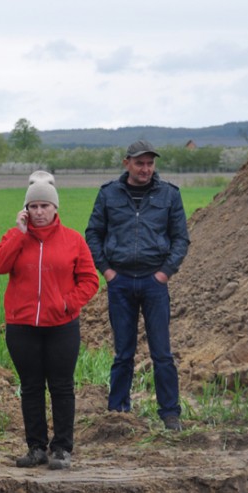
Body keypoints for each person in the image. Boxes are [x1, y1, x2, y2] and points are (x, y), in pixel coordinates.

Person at [0, 171, 99, 470]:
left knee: (62, 386)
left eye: (44, 206)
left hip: (62, 326)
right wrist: (19, 233)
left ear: (55, 208)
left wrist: (67, 303)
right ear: (26, 209)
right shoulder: (16, 238)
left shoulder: (73, 241)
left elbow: (90, 280)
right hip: (22, 326)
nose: (39, 212)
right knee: (31, 386)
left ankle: (62, 449)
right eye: (33, 206)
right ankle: (36, 447)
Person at [85, 140, 190, 431]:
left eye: (150, 163)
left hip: (154, 281)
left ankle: (170, 413)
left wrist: (165, 272)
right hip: (119, 282)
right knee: (123, 353)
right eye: (139, 163)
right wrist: (106, 271)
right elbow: (93, 233)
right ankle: (118, 411)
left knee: (162, 352)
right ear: (126, 163)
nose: (145, 169)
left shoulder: (169, 195)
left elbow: (181, 238)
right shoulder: (109, 194)